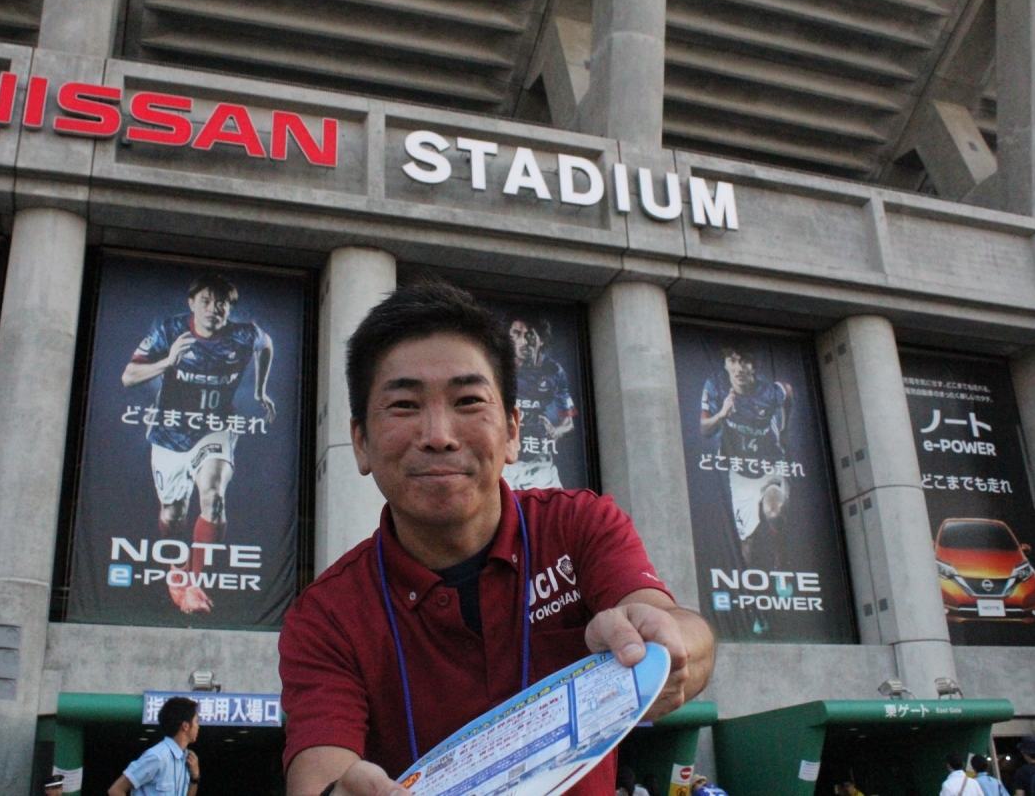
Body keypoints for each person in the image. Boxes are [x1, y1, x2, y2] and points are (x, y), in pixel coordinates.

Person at [278, 279, 716, 796]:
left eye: (468, 401)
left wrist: (665, 646)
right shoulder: (327, 615)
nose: (438, 435)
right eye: (404, 405)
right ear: (360, 443)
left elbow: (681, 630)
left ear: (512, 432)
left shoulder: (578, 525)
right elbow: (319, 772)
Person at [122, 272, 274, 615]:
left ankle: (195, 581)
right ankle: (176, 568)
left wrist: (260, 390)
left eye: (221, 303)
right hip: (170, 431)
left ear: (229, 309)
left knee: (214, 496)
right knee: (173, 513)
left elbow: (265, 344)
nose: (213, 309)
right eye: (205, 300)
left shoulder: (243, 334)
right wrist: (167, 362)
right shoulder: (169, 330)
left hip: (215, 427)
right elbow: (129, 376)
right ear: (192, 303)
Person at [699, 344, 792, 569]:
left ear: (754, 367)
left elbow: (787, 392)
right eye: (732, 361)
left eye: (745, 362)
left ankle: (782, 561)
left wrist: (784, 429)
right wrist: (722, 415)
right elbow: (704, 429)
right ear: (725, 365)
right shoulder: (716, 387)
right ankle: (753, 579)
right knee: (748, 544)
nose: (739, 368)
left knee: (774, 511)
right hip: (740, 472)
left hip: (770, 464)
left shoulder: (769, 392)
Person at [501, 315, 575, 490]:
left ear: (541, 340)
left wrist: (556, 432)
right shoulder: (496, 368)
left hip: (540, 465)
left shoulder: (554, 372)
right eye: (516, 334)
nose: (524, 341)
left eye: (530, 335)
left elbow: (568, 422)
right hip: (503, 462)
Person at [108, 695, 201, 796]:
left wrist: (195, 778)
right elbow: (115, 790)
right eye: (196, 721)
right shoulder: (157, 756)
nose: (198, 726)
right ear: (185, 726)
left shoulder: (187, 759)